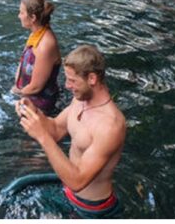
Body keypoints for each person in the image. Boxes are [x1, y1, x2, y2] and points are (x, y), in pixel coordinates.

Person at [15, 45, 126, 218]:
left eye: (72, 81)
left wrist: (42, 137)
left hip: (92, 208)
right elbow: (55, 130)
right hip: (67, 193)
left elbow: (78, 181)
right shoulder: (79, 100)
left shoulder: (110, 125)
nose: (67, 86)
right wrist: (33, 112)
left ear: (92, 78)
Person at [11, 0, 61, 114]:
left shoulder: (46, 45)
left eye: (21, 13)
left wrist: (15, 93)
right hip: (25, 92)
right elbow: (22, 61)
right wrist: (16, 86)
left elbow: (36, 87)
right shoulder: (35, 34)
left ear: (32, 17)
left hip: (40, 105)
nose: (19, 16)